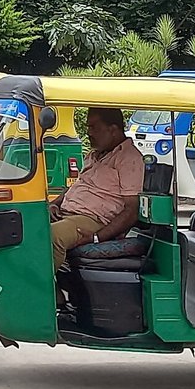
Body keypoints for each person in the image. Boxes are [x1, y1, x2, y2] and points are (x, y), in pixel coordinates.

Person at [50, 107, 145, 273]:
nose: (89, 133)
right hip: (67, 214)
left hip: (92, 219)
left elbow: (131, 210)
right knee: (24, 227)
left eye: (94, 127)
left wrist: (97, 237)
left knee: (51, 236)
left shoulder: (129, 158)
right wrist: (54, 203)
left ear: (113, 129)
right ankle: (55, 292)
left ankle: (40, 295)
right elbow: (77, 185)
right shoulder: (94, 155)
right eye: (88, 128)